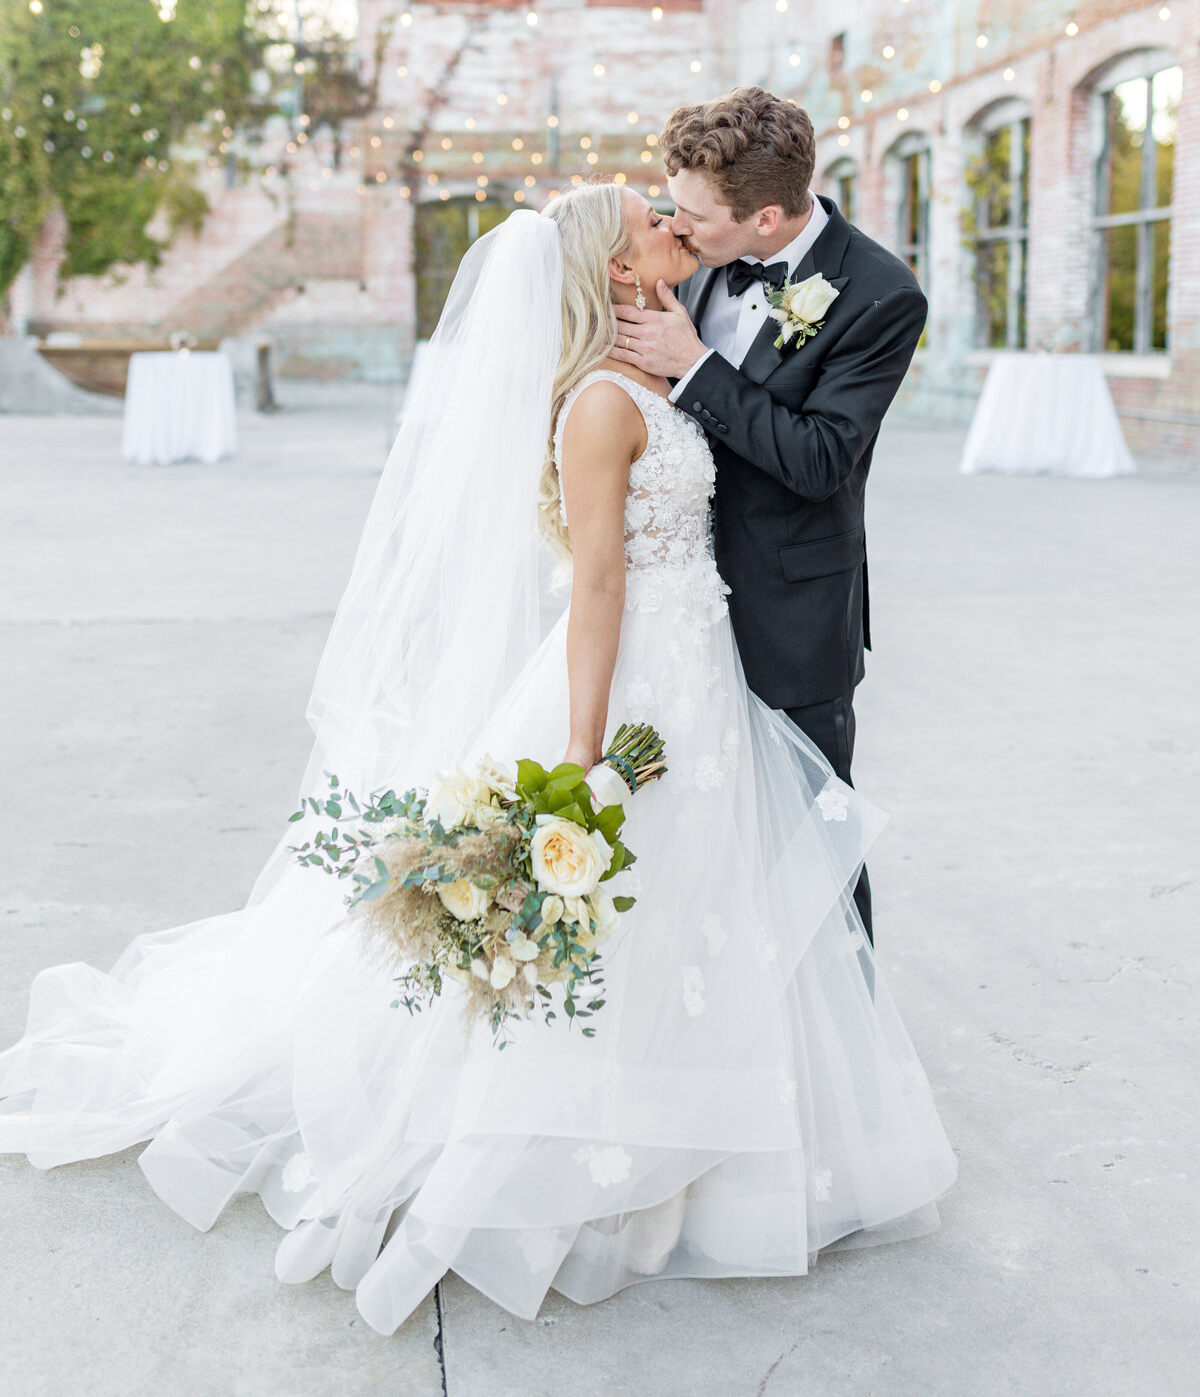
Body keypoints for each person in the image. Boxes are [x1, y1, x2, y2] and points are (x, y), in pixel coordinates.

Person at [0, 186, 954, 1335]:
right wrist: (584, 750)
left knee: (709, 903)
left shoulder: (667, 349)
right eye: (653, 218)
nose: (675, 224)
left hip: (710, 665)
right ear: (616, 268)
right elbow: (597, 583)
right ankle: (594, 1148)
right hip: (642, 678)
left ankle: (708, 1140)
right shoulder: (600, 402)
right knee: (633, 906)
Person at [613, 87, 929, 946]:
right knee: (690, 827)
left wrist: (697, 368)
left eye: (693, 216)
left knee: (812, 841)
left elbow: (823, 460)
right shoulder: (689, 257)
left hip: (793, 609)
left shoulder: (882, 295)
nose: (676, 228)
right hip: (674, 603)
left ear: (764, 218)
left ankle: (846, 1015)